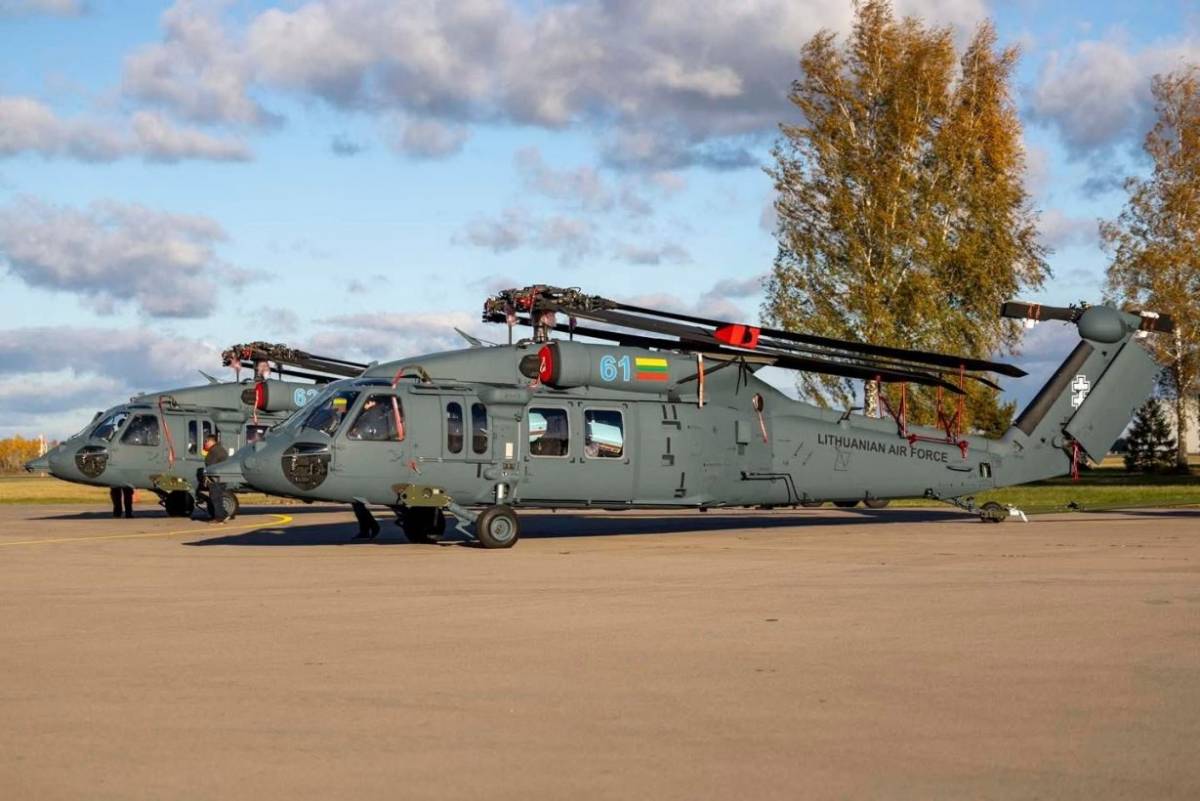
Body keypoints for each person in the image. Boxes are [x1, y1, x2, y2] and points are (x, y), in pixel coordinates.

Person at [203, 433, 232, 524]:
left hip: (217, 479)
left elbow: (211, 465)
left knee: (216, 498)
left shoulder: (215, 451)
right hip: (219, 478)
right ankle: (224, 514)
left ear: (211, 441)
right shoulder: (218, 449)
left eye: (206, 441)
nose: (205, 443)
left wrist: (207, 475)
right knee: (217, 497)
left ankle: (220, 517)